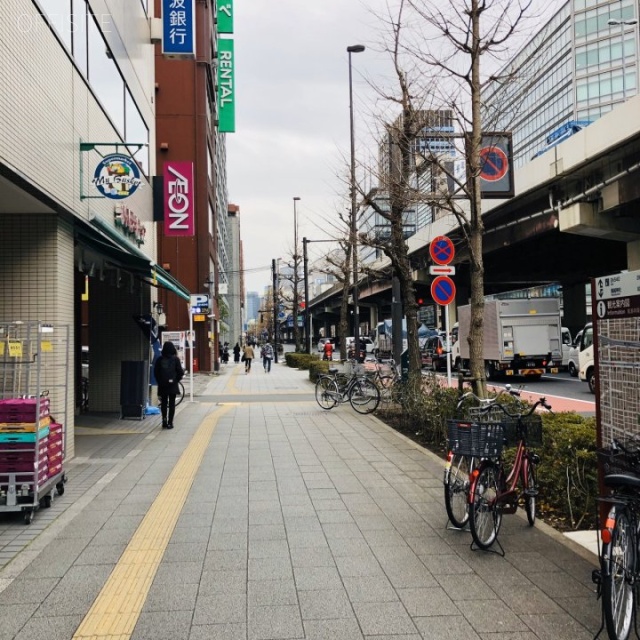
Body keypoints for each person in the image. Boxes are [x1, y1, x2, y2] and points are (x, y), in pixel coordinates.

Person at [153, 341, 184, 430]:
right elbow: (180, 372)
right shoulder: (175, 359)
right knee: (171, 404)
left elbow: (156, 373)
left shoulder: (159, 359)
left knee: (163, 403)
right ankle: (170, 423)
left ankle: (164, 420)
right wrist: (175, 380)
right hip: (172, 385)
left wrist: (160, 381)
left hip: (162, 385)